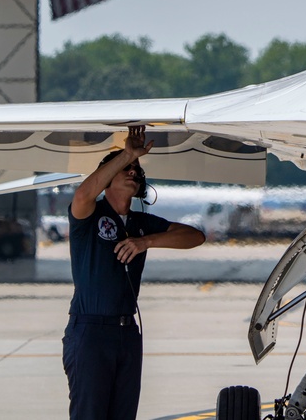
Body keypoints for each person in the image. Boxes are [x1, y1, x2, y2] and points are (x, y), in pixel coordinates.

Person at [62, 125, 206, 420]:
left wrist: (146, 241)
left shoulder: (142, 223)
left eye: (136, 169)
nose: (133, 172)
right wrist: (127, 153)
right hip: (90, 331)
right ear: (106, 178)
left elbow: (195, 237)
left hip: (127, 333)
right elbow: (82, 194)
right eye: (126, 168)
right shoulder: (90, 215)